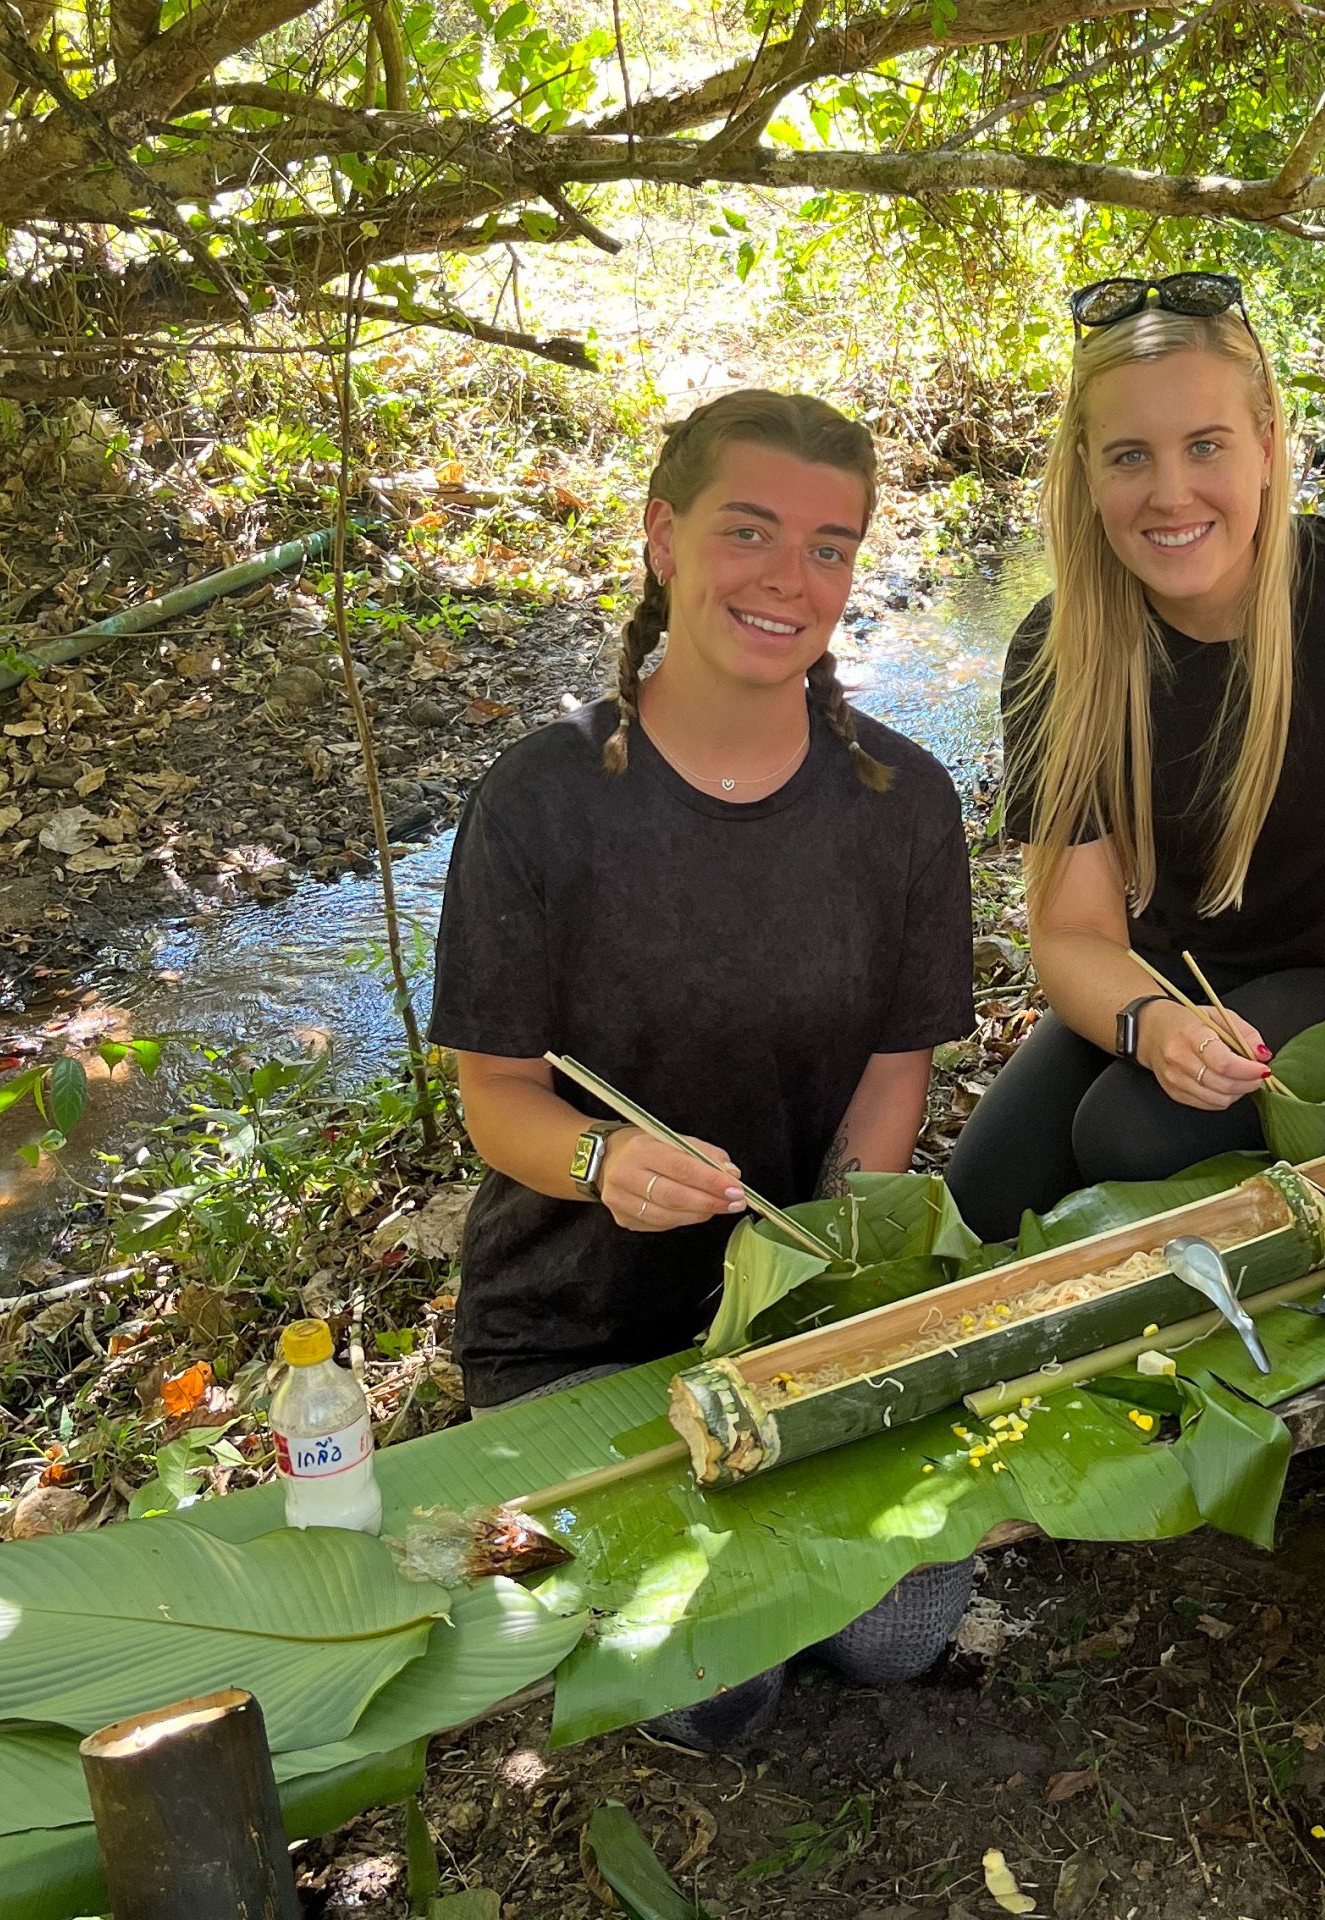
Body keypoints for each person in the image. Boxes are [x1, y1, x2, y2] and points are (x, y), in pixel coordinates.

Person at [429, 390, 978, 1743]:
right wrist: (604, 1161)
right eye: (751, 531)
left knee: (900, 1639)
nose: (791, 580)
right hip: (571, 1326)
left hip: (782, 1325)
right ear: (664, 539)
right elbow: (496, 1098)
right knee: (722, 1695)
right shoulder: (542, 801)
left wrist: (838, 1274)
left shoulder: (903, 805)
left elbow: (893, 1071)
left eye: (832, 546)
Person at [946, 272, 1325, 1236]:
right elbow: (1071, 934)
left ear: (1268, 444)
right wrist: (1152, 1024)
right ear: (1087, 471)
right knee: (982, 1206)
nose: (1169, 494)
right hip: (1184, 987)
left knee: (1129, 1138)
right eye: (1130, 457)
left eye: (1205, 447)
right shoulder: (1059, 651)